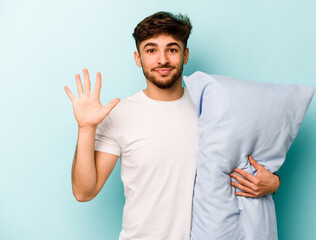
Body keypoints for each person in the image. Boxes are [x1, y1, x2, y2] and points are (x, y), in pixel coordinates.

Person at [64, 11, 280, 240]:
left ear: (185, 55)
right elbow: (84, 192)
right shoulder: (120, 115)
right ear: (138, 58)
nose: (162, 59)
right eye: (151, 50)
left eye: (172, 49)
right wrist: (86, 128)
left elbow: (245, 167)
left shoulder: (212, 110)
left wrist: (274, 183)